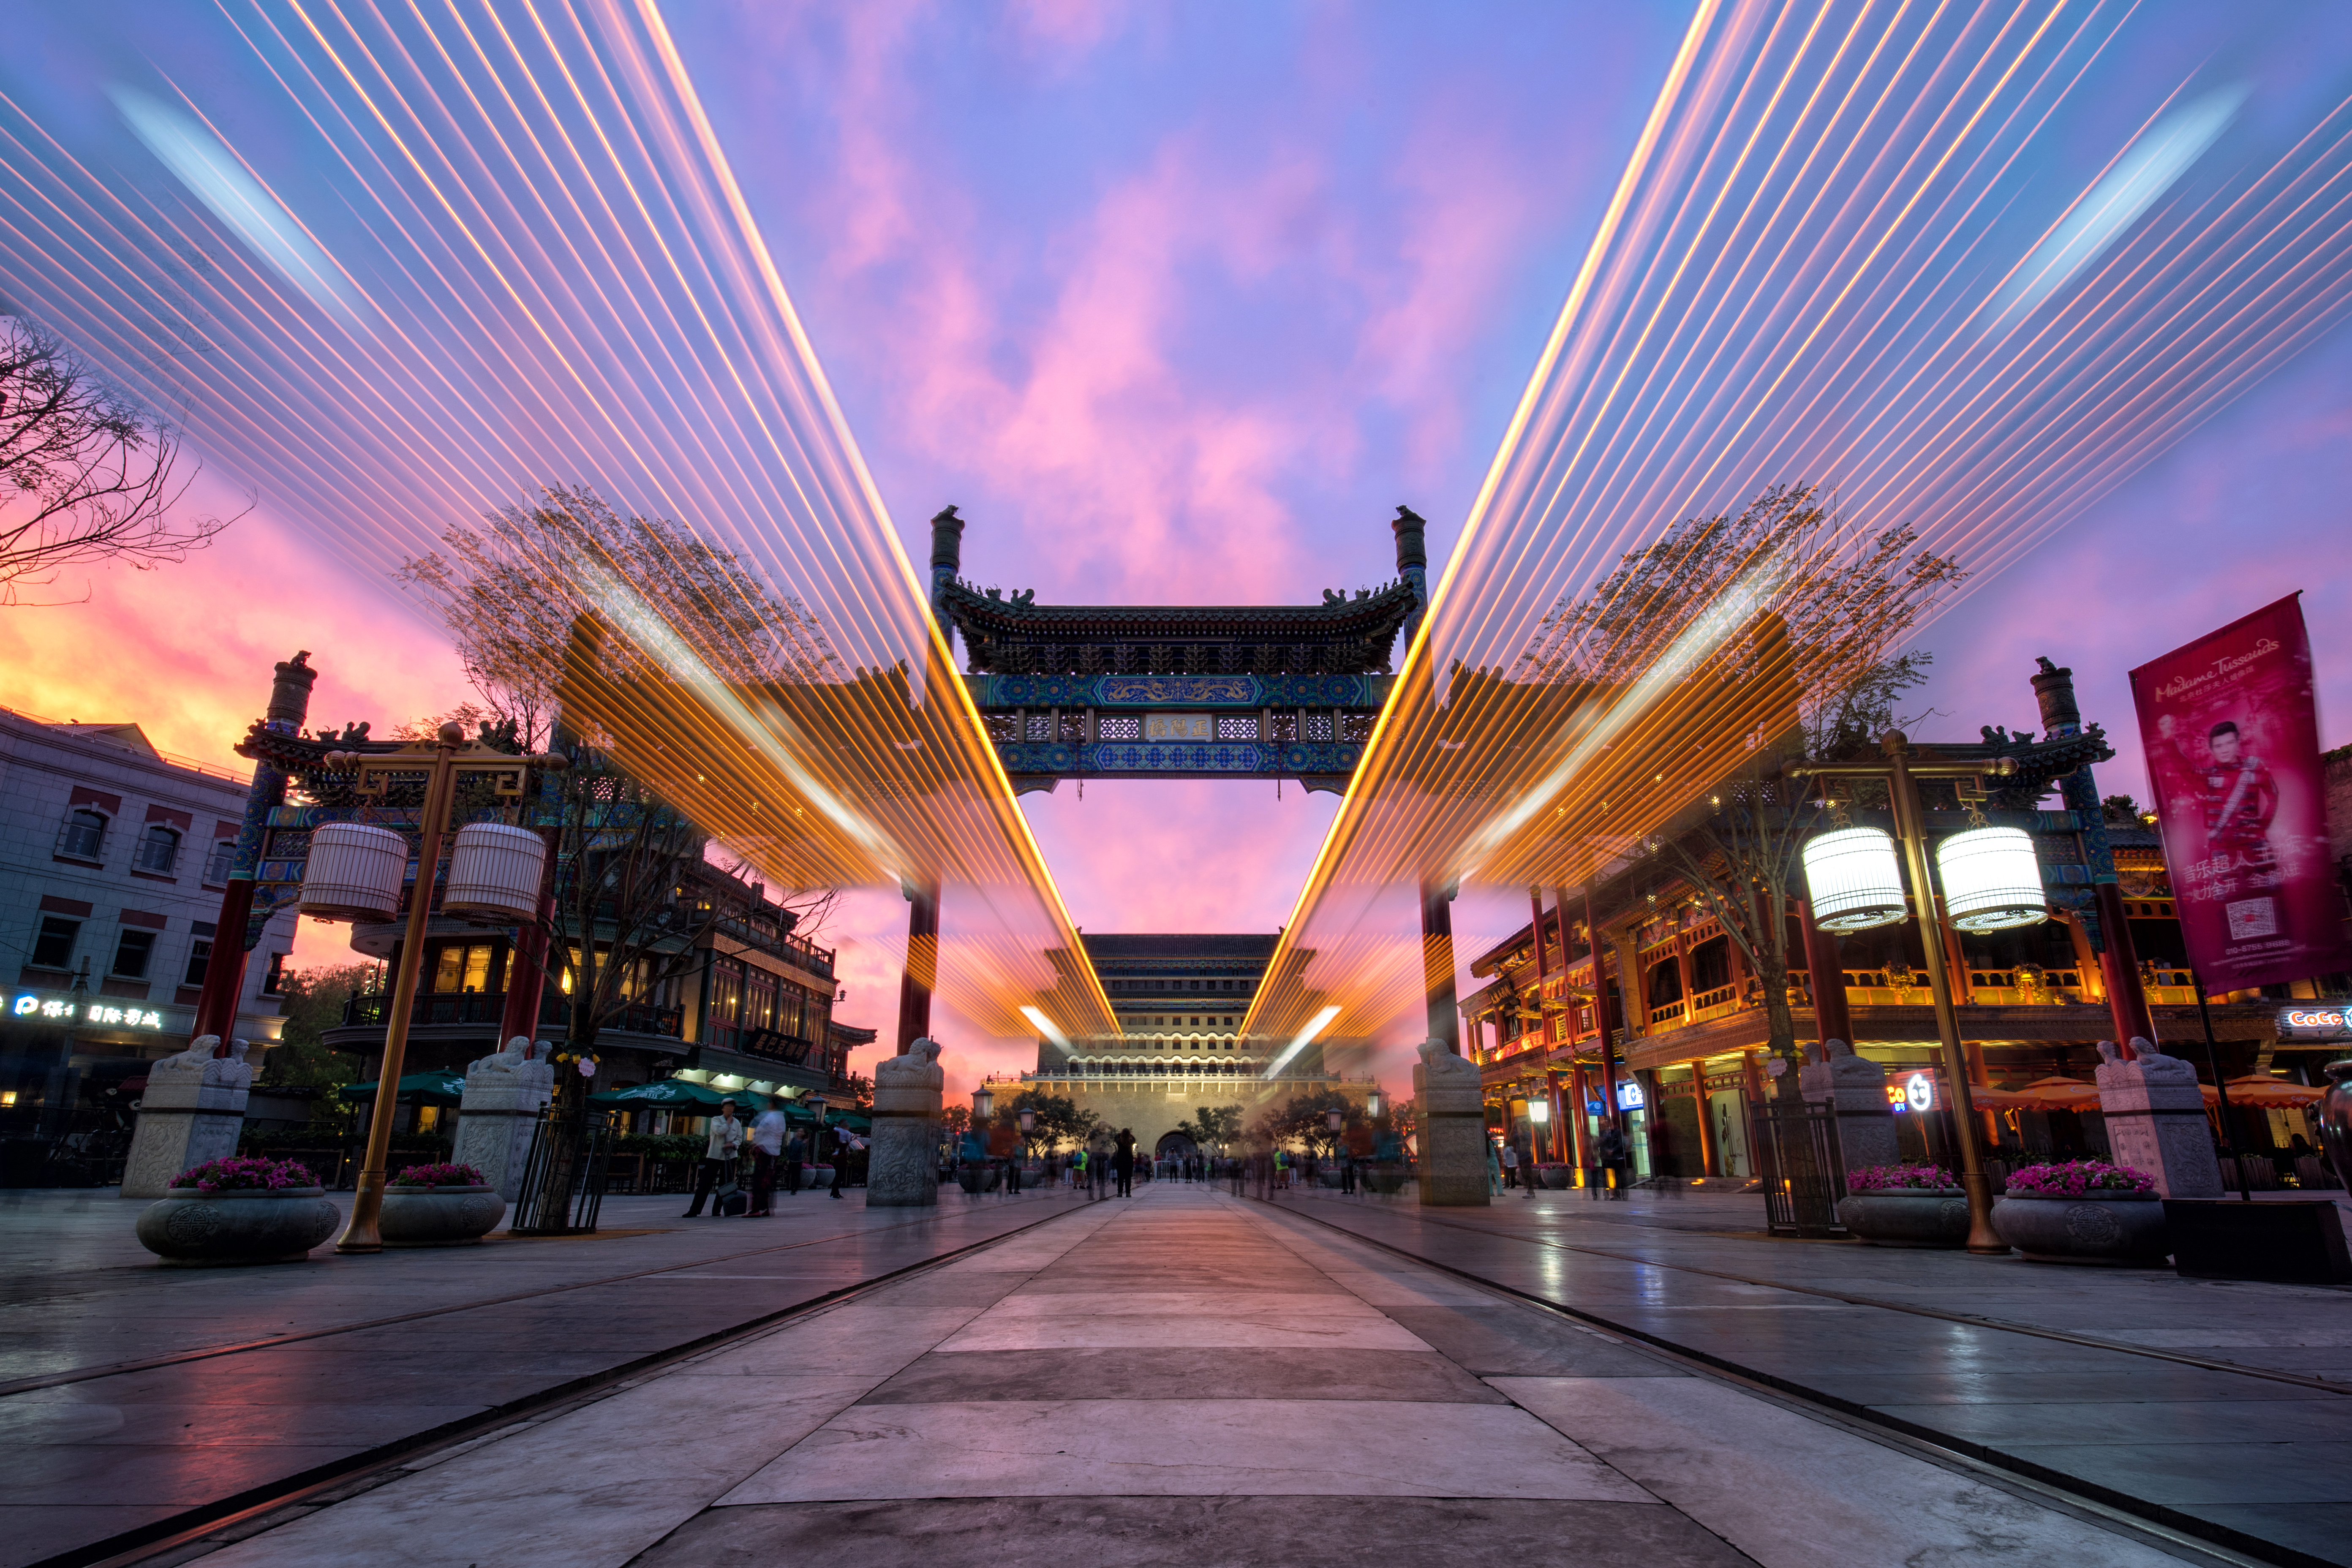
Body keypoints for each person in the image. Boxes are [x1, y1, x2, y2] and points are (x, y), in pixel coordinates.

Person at [683, 1099, 743, 1218]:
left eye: (732, 1107)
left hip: (730, 1157)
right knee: (705, 1183)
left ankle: (717, 1210)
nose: (730, 1109)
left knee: (725, 1185)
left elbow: (740, 1138)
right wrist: (728, 1123)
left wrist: (733, 1144)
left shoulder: (737, 1122)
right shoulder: (716, 1120)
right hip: (715, 1156)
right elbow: (719, 1132)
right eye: (728, 1107)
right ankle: (694, 1210)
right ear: (723, 1108)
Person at [747, 1103, 787, 1217]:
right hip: (775, 1151)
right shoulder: (781, 1118)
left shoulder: (769, 1117)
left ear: (771, 1105)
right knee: (769, 1180)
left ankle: (756, 1209)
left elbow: (761, 1131)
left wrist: (755, 1142)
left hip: (764, 1149)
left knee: (759, 1180)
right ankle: (767, 1208)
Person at [1598, 1122, 1628, 1200]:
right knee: (1613, 1176)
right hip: (1610, 1158)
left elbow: (1621, 1144)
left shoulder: (1617, 1132)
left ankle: (1623, 1194)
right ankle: (1616, 1194)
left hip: (1617, 1157)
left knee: (1620, 1176)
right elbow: (1603, 1144)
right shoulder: (1606, 1133)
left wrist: (1613, 1150)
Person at [1113, 1127, 1136, 1197]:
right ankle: (1128, 1193)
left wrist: (1121, 1134)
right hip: (1129, 1161)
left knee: (1120, 1178)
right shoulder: (1131, 1142)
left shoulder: (1119, 1142)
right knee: (1128, 1178)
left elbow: (1116, 1137)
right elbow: (1134, 1139)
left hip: (1120, 1160)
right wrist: (1129, 1135)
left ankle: (1120, 1192)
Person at [784, 1128, 806, 1196]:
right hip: (792, 1159)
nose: (799, 1133)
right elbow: (790, 1149)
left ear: (803, 1134)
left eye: (801, 1132)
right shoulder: (794, 1140)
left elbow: (801, 1150)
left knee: (797, 1175)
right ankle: (792, 1188)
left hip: (799, 1160)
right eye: (798, 1131)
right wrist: (788, 1158)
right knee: (792, 1175)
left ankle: (795, 1189)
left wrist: (803, 1144)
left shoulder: (803, 1142)